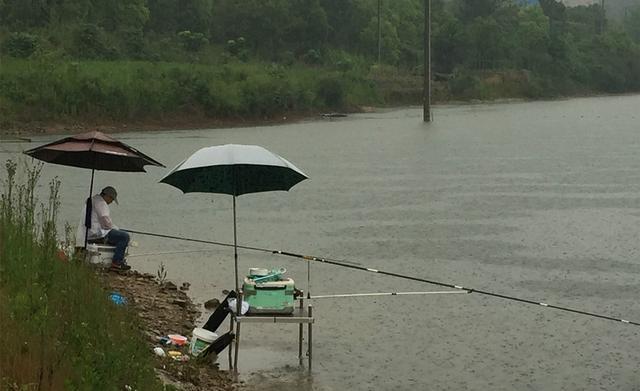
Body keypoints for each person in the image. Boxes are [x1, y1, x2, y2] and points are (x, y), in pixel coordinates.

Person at [76, 186, 131, 270]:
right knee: (124, 236)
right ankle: (117, 262)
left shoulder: (91, 199)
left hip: (87, 233)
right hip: (97, 234)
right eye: (112, 200)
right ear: (108, 196)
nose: (111, 202)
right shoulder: (101, 203)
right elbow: (105, 220)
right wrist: (115, 228)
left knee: (119, 234)